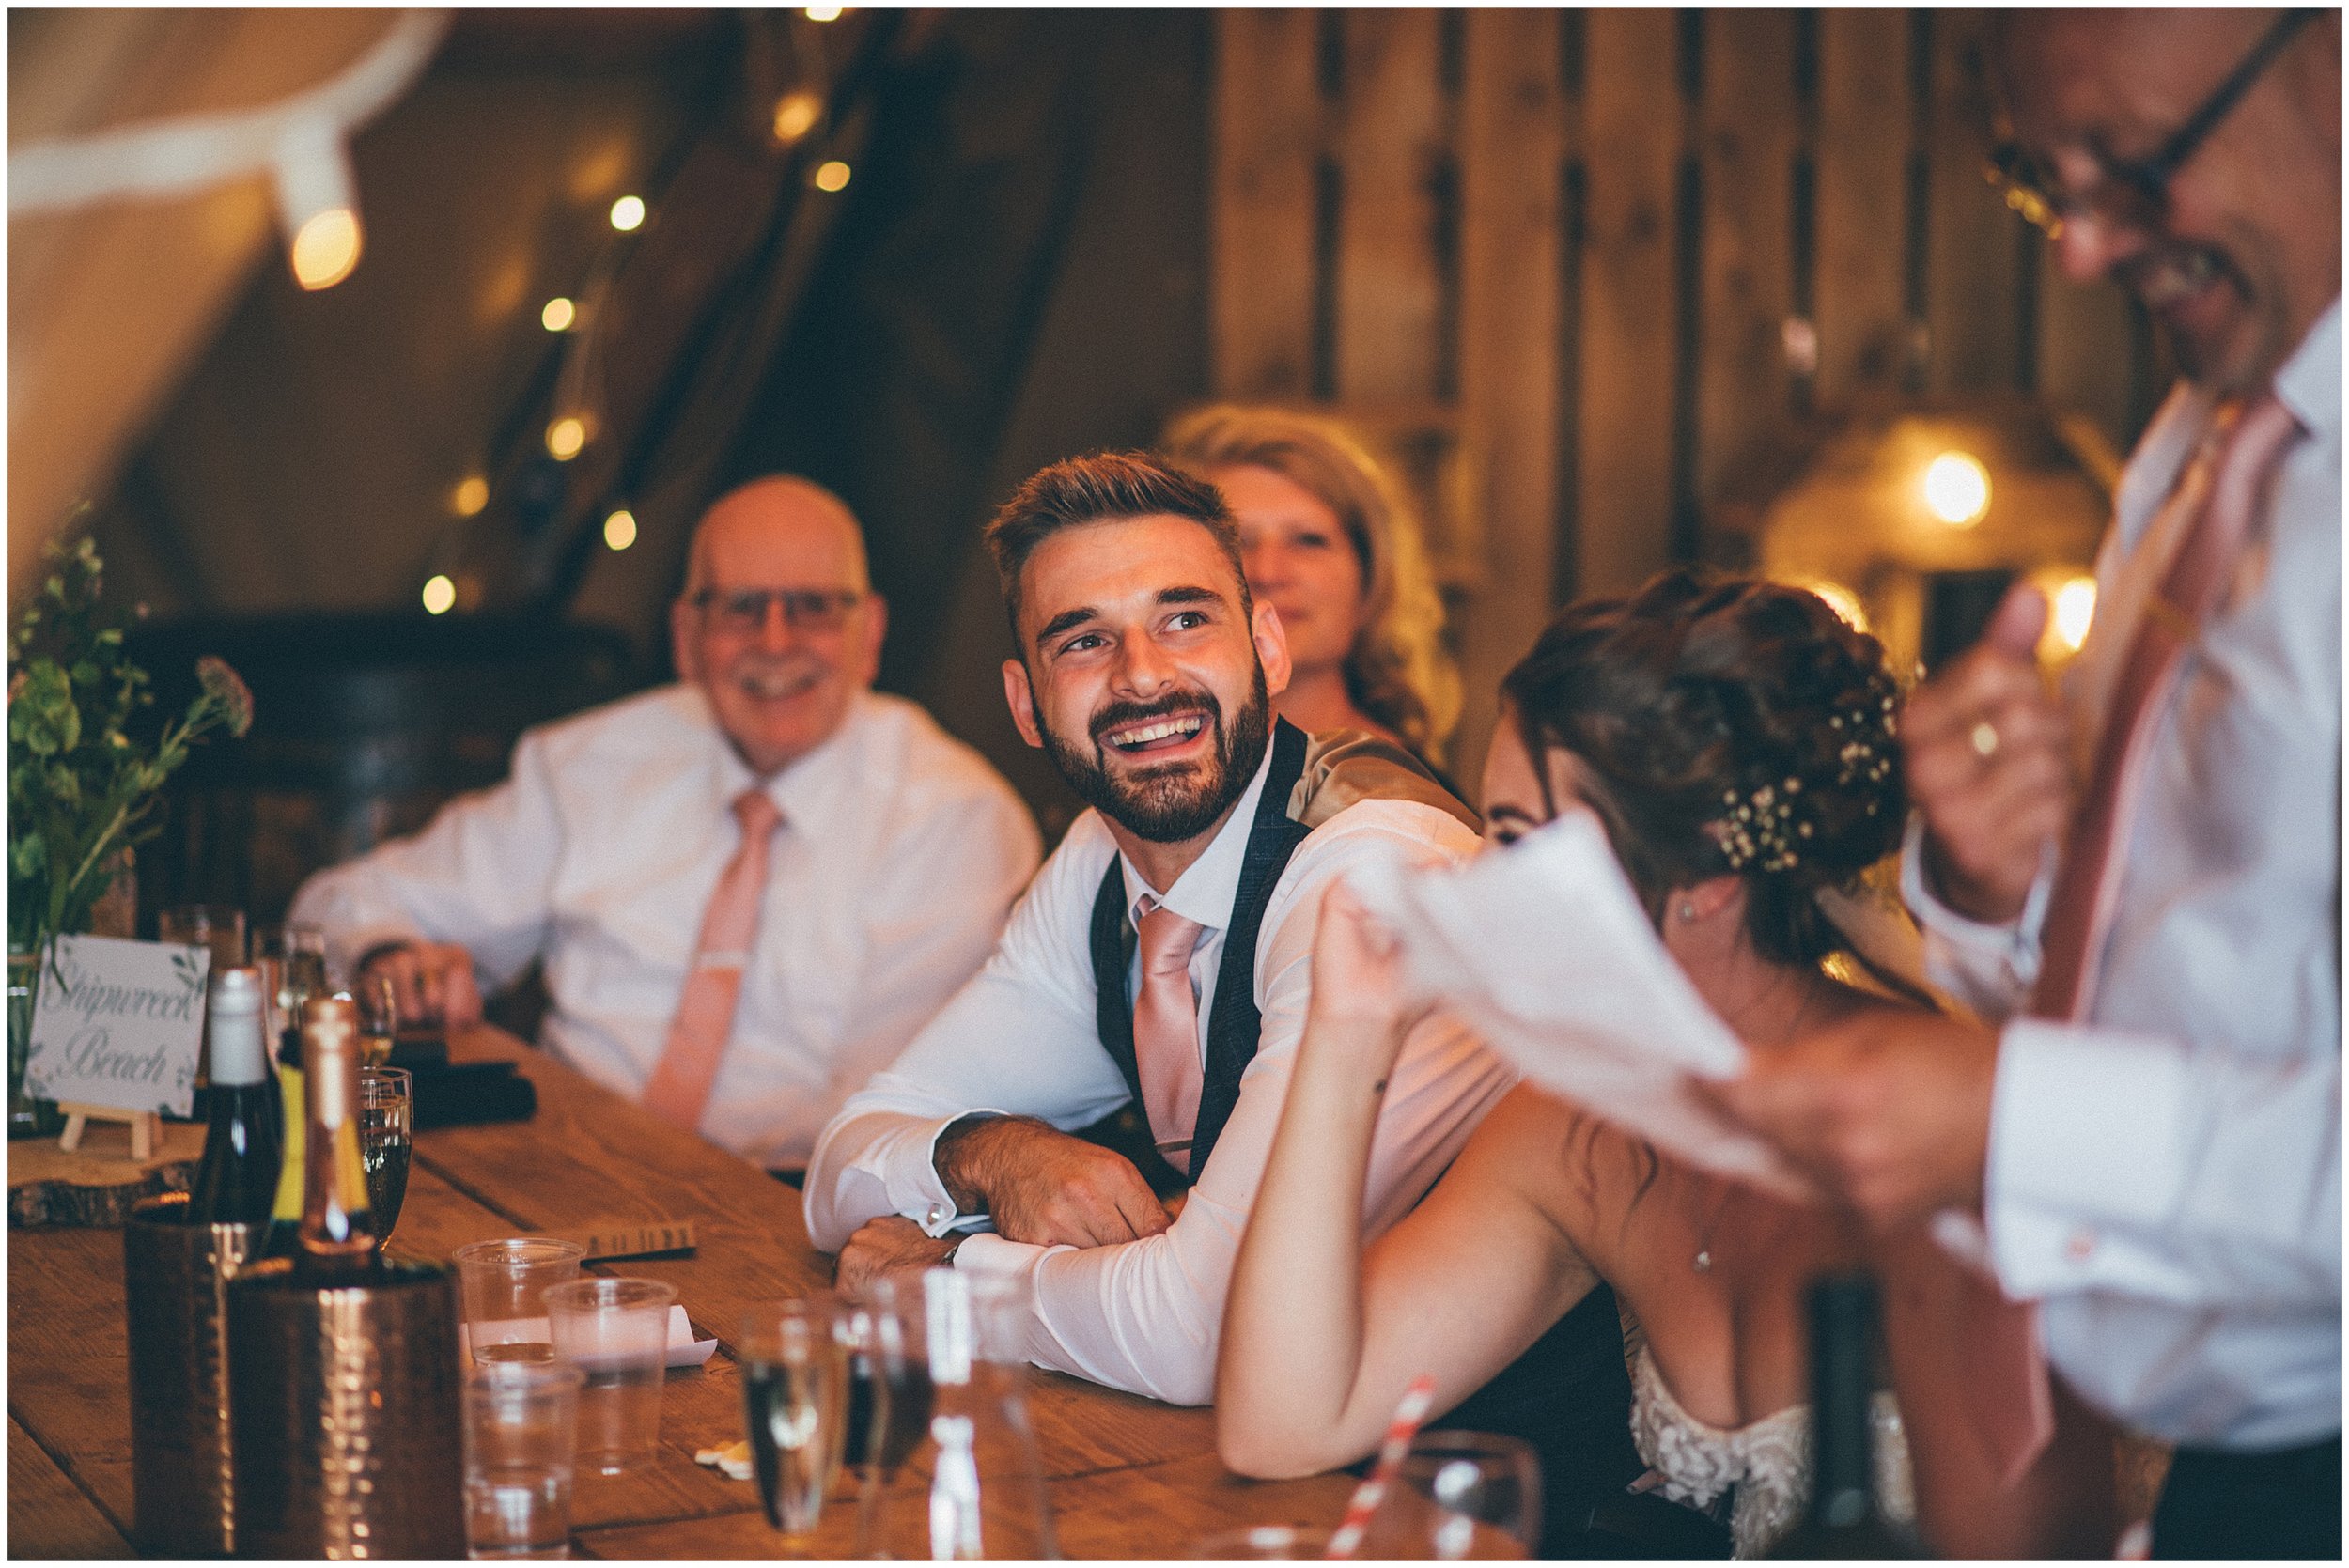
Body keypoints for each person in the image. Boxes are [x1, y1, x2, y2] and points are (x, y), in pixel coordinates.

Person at [1712, 8, 2341, 1559]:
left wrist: (2017, 1111)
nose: (2079, 251)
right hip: (2230, 1476)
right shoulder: (2204, 448)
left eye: (2132, 165)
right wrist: (2003, 896)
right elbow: (2210, 980)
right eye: (2039, 180)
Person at [1219, 574, 2113, 1560]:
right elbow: (1283, 1423)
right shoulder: (1579, 1124)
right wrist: (1348, 1038)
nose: (1471, 875)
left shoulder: (1941, 1126)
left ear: (1703, 877)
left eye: (1516, 837)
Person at [802, 451, 1513, 1405]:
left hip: (1510, 1495)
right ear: (1025, 702)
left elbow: (1202, 1327)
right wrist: (995, 1155)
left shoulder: (1373, 867)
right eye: (1083, 642)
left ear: (1266, 647)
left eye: (1184, 620)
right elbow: (842, 1161)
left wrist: (943, 1279)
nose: (1143, 677)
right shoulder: (1102, 860)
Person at [289, 476, 1042, 1170]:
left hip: (796, 1209)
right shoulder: (590, 766)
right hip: (560, 1171)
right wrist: (392, 955)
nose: (775, 642)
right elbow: (336, 907)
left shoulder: (957, 822)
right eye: (741, 607)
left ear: (869, 633)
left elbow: (891, 1126)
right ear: (686, 636)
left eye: (812, 607)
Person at [1161, 405, 1461, 767]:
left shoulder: (1405, 796)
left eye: (1307, 541)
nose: (1267, 572)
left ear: (1371, 577)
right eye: (1234, 541)